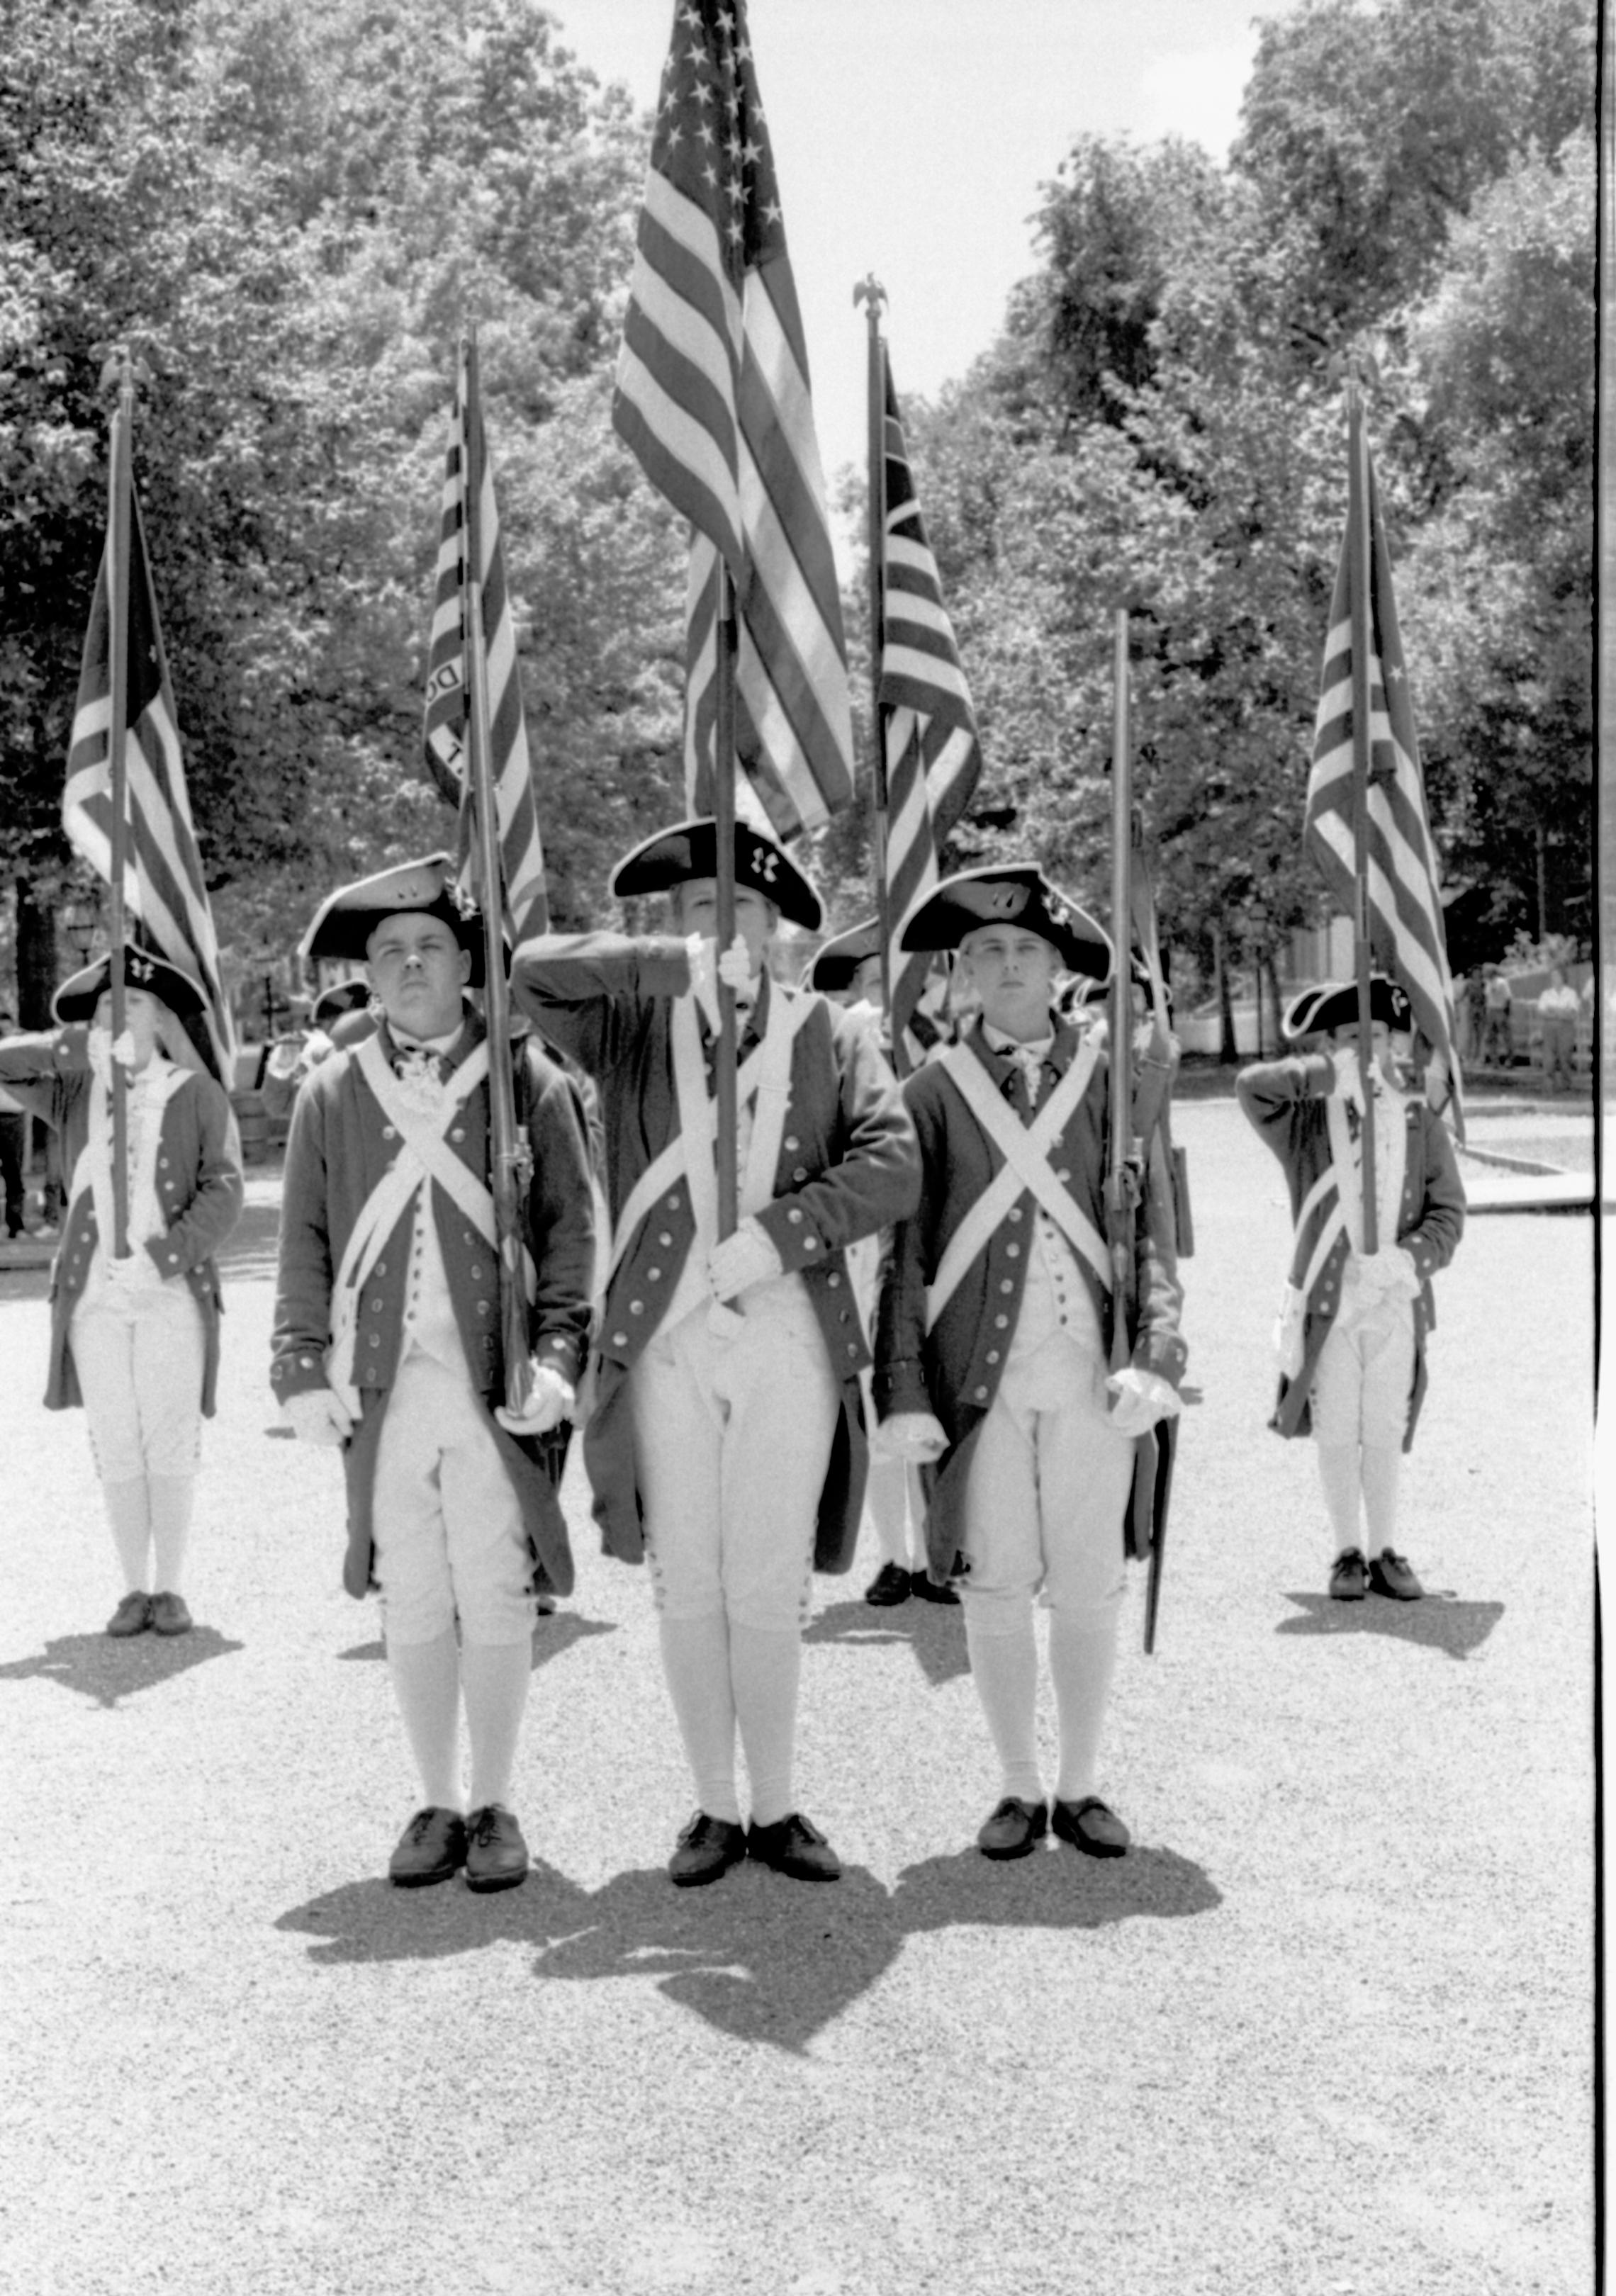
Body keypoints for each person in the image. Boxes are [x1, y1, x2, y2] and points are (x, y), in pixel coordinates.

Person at [512, 819, 920, 1888]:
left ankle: (778, 1805)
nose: (718, 927)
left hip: (786, 1324)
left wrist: (784, 1233)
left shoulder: (832, 1031)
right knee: (686, 1579)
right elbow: (528, 976)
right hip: (665, 1336)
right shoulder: (634, 1026)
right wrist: (665, 966)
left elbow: (894, 1164)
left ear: (777, 926)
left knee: (767, 1579)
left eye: (737, 909)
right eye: (695, 912)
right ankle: (710, 1807)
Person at [272, 855, 594, 1894]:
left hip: (491, 1384)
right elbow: (307, 1241)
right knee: (410, 1594)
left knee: (496, 1590)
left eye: (432, 948)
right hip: (383, 1388)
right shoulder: (331, 1091)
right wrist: (299, 1364)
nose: (411, 967)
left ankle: (497, 1799)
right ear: (367, 976)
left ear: (469, 965)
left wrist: (559, 1355)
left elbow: (572, 1234)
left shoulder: (528, 1081)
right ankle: (435, 1800)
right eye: (389, 954)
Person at [874, 866, 1186, 1863]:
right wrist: (906, 1391)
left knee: (1091, 1583)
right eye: (987, 953)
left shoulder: (1113, 1083)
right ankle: (1016, 1787)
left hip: (1094, 1370)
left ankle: (1081, 1784)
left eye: (1028, 951)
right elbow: (907, 1258)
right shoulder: (928, 1093)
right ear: (960, 974)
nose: (1009, 967)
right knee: (995, 1583)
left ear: (1060, 970)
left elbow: (1150, 1238)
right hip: (980, 1383)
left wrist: (1160, 1354)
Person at [0, 947, 243, 1635]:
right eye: (106, 1007)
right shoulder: (76, 1089)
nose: (119, 1016)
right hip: (93, 1294)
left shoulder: (194, 1094)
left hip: (168, 1288)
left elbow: (222, 1189)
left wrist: (165, 1256)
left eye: (132, 1004)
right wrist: (77, 1044)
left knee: (168, 1432)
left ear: (161, 1019)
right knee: (115, 1436)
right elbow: (5, 1062)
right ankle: (131, 1586)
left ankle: (171, 1587)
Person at [1236, 977, 1465, 1605]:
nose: (1365, 1049)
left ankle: (1386, 1547)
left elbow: (1448, 1213)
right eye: (1346, 1038)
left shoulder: (1421, 1122)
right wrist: (1325, 1075)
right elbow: (1252, 1088)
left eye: (1378, 1036)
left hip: (1394, 1297)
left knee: (1384, 1425)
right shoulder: (1306, 1120)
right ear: (1328, 1045)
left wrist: (1411, 1259)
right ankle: (1346, 1550)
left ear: (1397, 1043)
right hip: (1329, 1303)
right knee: (1338, 1425)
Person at [809, 919, 950, 1613]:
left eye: (910, 983)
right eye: (876, 984)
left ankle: (942, 1551)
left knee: (947, 1402)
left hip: (941, 1249)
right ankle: (898, 1556)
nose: (894, 997)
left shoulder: (951, 1055)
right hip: (869, 1255)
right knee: (879, 1409)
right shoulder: (838, 1060)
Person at [1536, 966, 1579, 1094]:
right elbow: (1542, 1012)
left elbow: (1572, 1014)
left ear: (1563, 977)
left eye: (1557, 976)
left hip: (1566, 1028)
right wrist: (1561, 1012)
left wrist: (1554, 1010)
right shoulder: (1546, 994)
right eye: (1553, 976)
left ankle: (1566, 1085)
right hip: (1549, 1028)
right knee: (1549, 1057)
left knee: (1565, 1056)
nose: (1554, 978)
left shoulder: (1571, 993)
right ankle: (1549, 1086)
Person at [1481, 964, 1513, 1067]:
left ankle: (1510, 1059)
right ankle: (1494, 1060)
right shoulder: (1488, 983)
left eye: (1487, 971)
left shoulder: (1502, 982)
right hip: (1491, 1010)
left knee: (1506, 1036)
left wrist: (1506, 1012)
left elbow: (1508, 997)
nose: (1485, 973)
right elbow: (1487, 998)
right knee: (1491, 1037)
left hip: (1500, 1010)